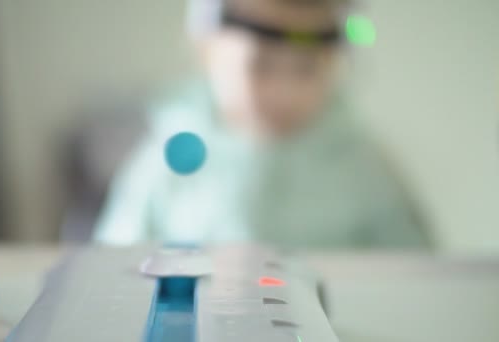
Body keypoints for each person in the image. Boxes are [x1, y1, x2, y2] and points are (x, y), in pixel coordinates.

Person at [92, 0, 431, 250]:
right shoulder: (166, 160)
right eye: (261, 66)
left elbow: (411, 274)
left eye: (306, 69)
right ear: (208, 52)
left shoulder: (364, 168)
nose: (284, 92)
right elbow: (112, 270)